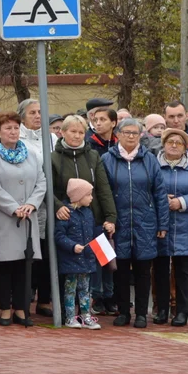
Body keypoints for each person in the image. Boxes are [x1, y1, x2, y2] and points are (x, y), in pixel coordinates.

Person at [102, 117, 169, 328]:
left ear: (141, 135)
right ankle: (123, 312)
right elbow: (103, 193)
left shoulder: (150, 160)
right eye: (127, 132)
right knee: (120, 270)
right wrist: (105, 220)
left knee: (142, 270)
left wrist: (162, 224)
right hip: (118, 223)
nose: (131, 136)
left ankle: (141, 314)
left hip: (145, 223)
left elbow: (160, 193)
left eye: (135, 133)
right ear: (118, 134)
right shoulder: (107, 159)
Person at [0, 111, 46, 327]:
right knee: (4, 267)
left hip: (27, 219)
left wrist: (31, 204)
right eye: (7, 128)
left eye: (16, 128)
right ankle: (5, 309)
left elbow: (41, 182)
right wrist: (13, 207)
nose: (13, 131)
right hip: (4, 219)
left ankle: (21, 309)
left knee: (23, 266)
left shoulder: (32, 155)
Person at [51, 115, 117, 314]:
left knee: (95, 264)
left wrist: (110, 217)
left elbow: (103, 188)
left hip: (92, 218)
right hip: (67, 219)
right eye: (72, 131)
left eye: (81, 132)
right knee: (69, 265)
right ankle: (67, 310)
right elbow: (48, 187)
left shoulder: (93, 156)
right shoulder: (53, 158)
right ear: (62, 132)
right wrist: (57, 206)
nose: (77, 136)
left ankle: (91, 306)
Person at [154, 128, 188, 326]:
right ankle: (161, 310)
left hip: (185, 226)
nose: (174, 145)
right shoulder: (154, 166)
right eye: (171, 142)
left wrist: (181, 202)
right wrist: (162, 199)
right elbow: (146, 191)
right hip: (160, 226)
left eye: (179, 142)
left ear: (185, 147)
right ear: (164, 145)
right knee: (160, 271)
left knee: (183, 272)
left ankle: (181, 312)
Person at [18, 98, 54, 315]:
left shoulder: (52, 138)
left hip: (48, 204)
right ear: (23, 116)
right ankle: (22, 297)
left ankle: (44, 299)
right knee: (26, 251)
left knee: (47, 252)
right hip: (26, 202)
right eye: (32, 112)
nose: (38, 116)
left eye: (41, 112)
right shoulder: (18, 138)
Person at [54, 178, 103, 329]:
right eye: (88, 195)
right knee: (70, 289)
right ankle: (70, 317)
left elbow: (93, 232)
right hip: (71, 259)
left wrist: (103, 230)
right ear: (78, 196)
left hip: (86, 259)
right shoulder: (67, 214)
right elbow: (59, 236)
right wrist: (72, 246)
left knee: (85, 289)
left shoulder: (88, 213)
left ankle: (86, 316)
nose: (91, 198)